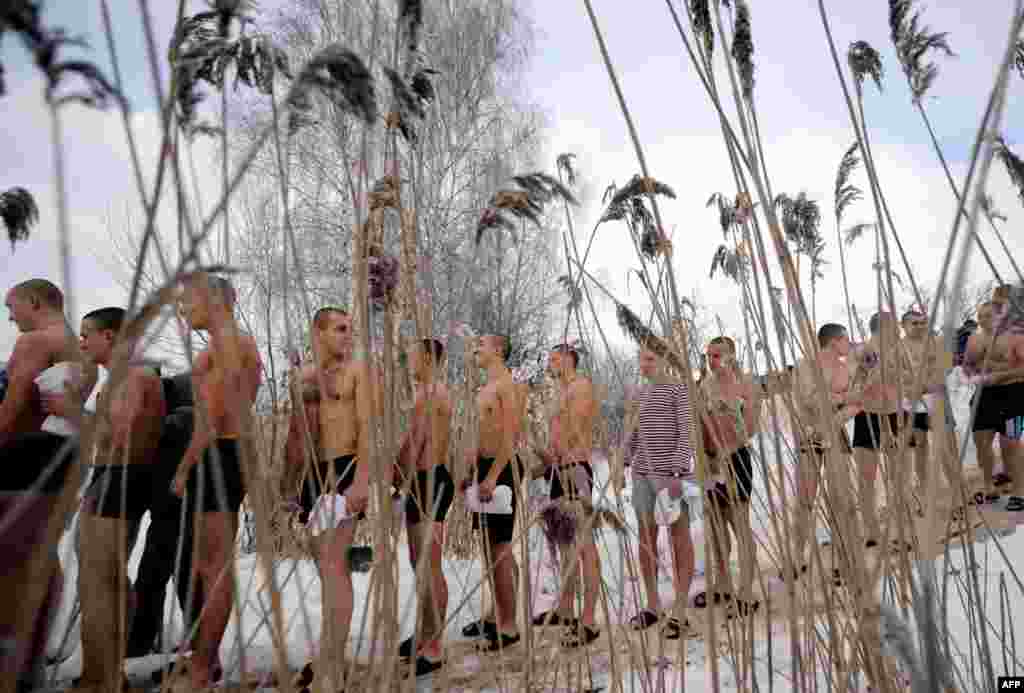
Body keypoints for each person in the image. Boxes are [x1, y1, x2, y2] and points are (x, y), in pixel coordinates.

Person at [43, 307, 166, 692]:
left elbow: (121, 436)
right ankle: (103, 671)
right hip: (113, 476)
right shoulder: (125, 376)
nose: (81, 343)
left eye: (86, 335)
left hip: (120, 478)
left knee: (100, 580)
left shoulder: (135, 376)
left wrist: (71, 412)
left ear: (110, 337)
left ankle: (104, 677)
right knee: (102, 577)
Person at [0, 279, 94, 693]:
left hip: (25, 457)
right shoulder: (83, 351)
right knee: (41, 556)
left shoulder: (34, 342)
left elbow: (14, 404)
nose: (9, 316)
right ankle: (31, 665)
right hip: (64, 458)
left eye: (12, 306)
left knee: (9, 563)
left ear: (35, 302)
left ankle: (11, 671)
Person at [171, 274, 262, 689]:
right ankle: (203, 656)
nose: (183, 308)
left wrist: (184, 466)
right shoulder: (229, 343)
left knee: (213, 566)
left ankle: (204, 665)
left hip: (219, 455)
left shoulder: (230, 343)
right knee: (205, 563)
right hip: (225, 454)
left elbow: (215, 415)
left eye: (187, 300)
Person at [286, 306, 380, 692]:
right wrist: (286, 489)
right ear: (318, 331)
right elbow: (295, 437)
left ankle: (333, 667)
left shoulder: (359, 370)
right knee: (325, 570)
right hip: (312, 475)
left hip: (345, 469)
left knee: (335, 566)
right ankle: (327, 652)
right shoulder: (304, 376)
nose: (348, 335)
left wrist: (361, 482)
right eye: (340, 329)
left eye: (350, 329)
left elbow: (369, 427)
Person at [126, 373, 203, 658]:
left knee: (158, 574)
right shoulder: (170, 403)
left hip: (176, 506)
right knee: (168, 573)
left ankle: (143, 642)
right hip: (171, 506)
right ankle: (151, 639)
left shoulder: (179, 414)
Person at [530, 344, 602, 648]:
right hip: (559, 469)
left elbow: (574, 427)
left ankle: (588, 619)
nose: (550, 363)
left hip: (575, 468)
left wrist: (553, 453)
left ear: (569, 359)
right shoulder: (560, 391)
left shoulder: (580, 386)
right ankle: (566, 608)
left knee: (584, 544)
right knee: (565, 544)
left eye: (554, 358)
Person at [623, 346, 695, 639]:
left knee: (679, 538)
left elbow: (686, 431)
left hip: (670, 476)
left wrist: (678, 471)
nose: (644, 364)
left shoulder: (679, 390)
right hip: (642, 473)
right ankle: (653, 605)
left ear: (665, 360)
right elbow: (634, 433)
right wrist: (625, 460)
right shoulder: (639, 393)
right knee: (646, 537)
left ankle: (680, 609)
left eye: (651, 359)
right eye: (641, 359)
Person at [395, 339, 453, 675]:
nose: (409, 362)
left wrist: (397, 479)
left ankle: (433, 645)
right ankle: (424, 632)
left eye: (412, 357)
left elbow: (417, 443)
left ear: (428, 359)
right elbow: (412, 438)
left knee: (429, 564)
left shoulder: (431, 393)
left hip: (430, 481)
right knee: (420, 562)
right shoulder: (427, 393)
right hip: (422, 481)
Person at [461, 335, 521, 652]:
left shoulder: (506, 384)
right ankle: (497, 614)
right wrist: (471, 470)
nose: (475, 348)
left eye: (480, 344)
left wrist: (494, 476)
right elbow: (481, 431)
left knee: (499, 548)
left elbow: (512, 434)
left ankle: (509, 626)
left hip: (501, 469)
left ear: (498, 351)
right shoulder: (485, 388)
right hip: (484, 469)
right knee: (490, 548)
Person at [789, 324, 862, 579]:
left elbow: (858, 404)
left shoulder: (847, 368)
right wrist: (844, 398)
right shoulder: (806, 365)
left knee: (841, 500)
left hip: (834, 434)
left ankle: (843, 560)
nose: (849, 344)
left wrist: (836, 415)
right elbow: (811, 399)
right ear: (834, 341)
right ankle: (796, 556)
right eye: (846, 339)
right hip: (808, 437)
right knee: (805, 500)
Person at [698, 336, 761, 615]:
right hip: (710, 463)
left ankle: (746, 592)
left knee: (739, 524)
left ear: (731, 356)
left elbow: (752, 427)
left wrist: (730, 413)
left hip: (735, 458)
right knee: (716, 526)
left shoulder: (747, 383)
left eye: (716, 356)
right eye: (708, 355)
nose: (711, 361)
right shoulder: (705, 385)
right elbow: (700, 423)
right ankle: (723, 584)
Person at [849, 312, 910, 548]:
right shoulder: (860, 351)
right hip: (868, 416)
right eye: (894, 327)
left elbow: (910, 378)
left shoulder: (899, 350)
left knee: (897, 476)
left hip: (894, 415)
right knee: (869, 478)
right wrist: (874, 372)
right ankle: (873, 531)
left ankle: (898, 531)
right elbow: (853, 389)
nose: (898, 331)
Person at [965, 300, 1020, 504]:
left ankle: (1014, 485)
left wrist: (999, 373)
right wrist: (976, 373)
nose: (982, 319)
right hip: (983, 395)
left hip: (1012, 395)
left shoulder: (1015, 338)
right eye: (980, 315)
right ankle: (988, 485)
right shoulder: (975, 339)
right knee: (981, 442)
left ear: (1000, 316)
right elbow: (967, 367)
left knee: (1011, 444)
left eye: (988, 315)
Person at [900, 309, 948, 495]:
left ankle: (955, 490)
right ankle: (924, 490)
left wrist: (927, 384)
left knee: (944, 444)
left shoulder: (935, 343)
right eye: (914, 323)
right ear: (903, 325)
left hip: (936, 400)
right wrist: (912, 387)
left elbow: (946, 368)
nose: (919, 326)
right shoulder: (898, 348)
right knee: (920, 446)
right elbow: (895, 375)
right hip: (911, 404)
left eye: (922, 323)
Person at [987, 285, 1024, 511]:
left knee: (1012, 439)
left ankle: (1019, 493)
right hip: (1001, 392)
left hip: (1018, 392)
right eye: (995, 302)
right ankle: (1009, 474)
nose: (997, 306)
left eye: (1001, 302)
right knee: (1005, 438)